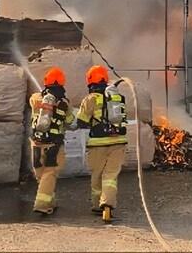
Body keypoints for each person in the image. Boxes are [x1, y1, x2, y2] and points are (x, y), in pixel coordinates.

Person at [75, 65, 127, 223]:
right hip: (119, 142)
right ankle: (108, 205)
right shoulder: (118, 98)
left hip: (97, 143)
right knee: (111, 176)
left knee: (97, 174)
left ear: (90, 81)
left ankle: (98, 205)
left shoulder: (90, 99)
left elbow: (81, 122)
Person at [29, 67, 74, 216]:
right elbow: (70, 122)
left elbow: (32, 103)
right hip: (54, 144)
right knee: (50, 173)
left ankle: (50, 203)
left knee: (41, 174)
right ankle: (42, 204)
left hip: (36, 143)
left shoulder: (36, 98)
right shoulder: (64, 103)